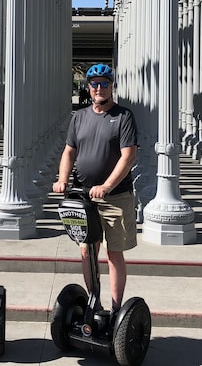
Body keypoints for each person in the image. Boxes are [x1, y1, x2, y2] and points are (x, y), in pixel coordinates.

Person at [53, 63, 138, 316]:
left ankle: (115, 309)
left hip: (115, 196)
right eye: (94, 84)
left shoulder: (123, 117)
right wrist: (62, 179)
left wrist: (107, 186)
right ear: (88, 88)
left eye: (104, 83)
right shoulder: (79, 117)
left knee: (114, 253)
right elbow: (69, 151)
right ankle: (94, 304)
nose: (99, 88)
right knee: (86, 250)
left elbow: (128, 156)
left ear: (112, 86)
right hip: (82, 196)